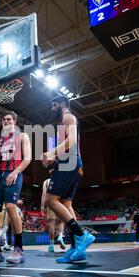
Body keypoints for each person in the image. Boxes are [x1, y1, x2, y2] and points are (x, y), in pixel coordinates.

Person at [41, 95, 95, 263]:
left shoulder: (68, 116)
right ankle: (76, 248)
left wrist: (52, 153)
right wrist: (55, 159)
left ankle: (81, 235)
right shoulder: (64, 122)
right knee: (65, 203)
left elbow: (72, 141)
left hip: (70, 162)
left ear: (62, 104)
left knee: (50, 200)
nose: (52, 108)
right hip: (70, 162)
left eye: (54, 104)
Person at [0, 111, 32, 264]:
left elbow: (28, 157)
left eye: (9, 119)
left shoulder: (22, 136)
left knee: (10, 207)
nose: (6, 122)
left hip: (13, 174)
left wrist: (16, 171)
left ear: (15, 121)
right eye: (4, 120)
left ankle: (19, 249)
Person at [42, 170, 66, 252]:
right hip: (60, 203)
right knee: (61, 222)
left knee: (51, 224)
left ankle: (51, 245)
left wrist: (42, 206)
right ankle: (60, 236)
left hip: (51, 203)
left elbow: (44, 195)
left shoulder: (46, 182)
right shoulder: (62, 180)